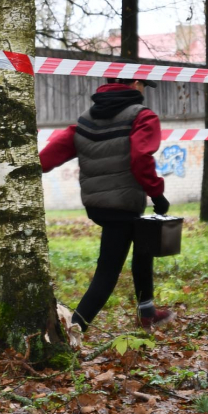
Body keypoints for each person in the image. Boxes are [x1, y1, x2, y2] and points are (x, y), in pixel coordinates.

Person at [40, 77, 172, 331]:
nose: (144, 90)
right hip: (124, 204)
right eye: (144, 84)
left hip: (98, 204)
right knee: (107, 273)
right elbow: (140, 157)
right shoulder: (143, 117)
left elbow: (48, 156)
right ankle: (74, 330)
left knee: (143, 248)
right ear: (134, 83)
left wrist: (22, 167)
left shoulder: (86, 119)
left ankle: (147, 312)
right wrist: (156, 194)